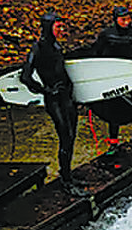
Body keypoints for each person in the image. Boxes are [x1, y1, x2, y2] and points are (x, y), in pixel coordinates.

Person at [20, 12, 85, 195]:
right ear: (48, 27)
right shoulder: (38, 48)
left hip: (67, 96)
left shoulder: (57, 46)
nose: (60, 29)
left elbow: (62, 71)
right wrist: (45, 90)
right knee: (65, 136)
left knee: (71, 137)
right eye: (57, 26)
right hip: (54, 99)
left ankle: (67, 173)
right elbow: (25, 77)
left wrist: (75, 94)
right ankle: (65, 180)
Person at [90, 5, 132, 156]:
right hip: (113, 75)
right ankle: (113, 143)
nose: (127, 22)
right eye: (123, 19)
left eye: (128, 18)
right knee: (113, 108)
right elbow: (97, 54)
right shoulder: (106, 34)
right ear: (115, 19)